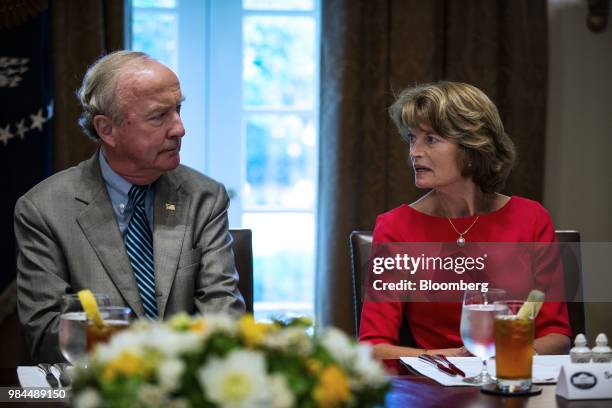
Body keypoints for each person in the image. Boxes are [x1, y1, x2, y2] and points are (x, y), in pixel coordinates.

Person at [15, 51, 245, 362]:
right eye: (159, 116)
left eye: (178, 110)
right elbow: (46, 334)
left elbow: (223, 318)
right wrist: (146, 358)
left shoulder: (205, 198)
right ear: (107, 129)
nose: (180, 129)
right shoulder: (43, 209)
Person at [359, 81, 571, 359]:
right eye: (412, 138)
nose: (414, 152)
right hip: (433, 392)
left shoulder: (531, 219)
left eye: (431, 139)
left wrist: (502, 355)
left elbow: (556, 337)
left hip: (512, 385)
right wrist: (457, 358)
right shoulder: (396, 228)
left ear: (472, 147)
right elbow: (374, 348)